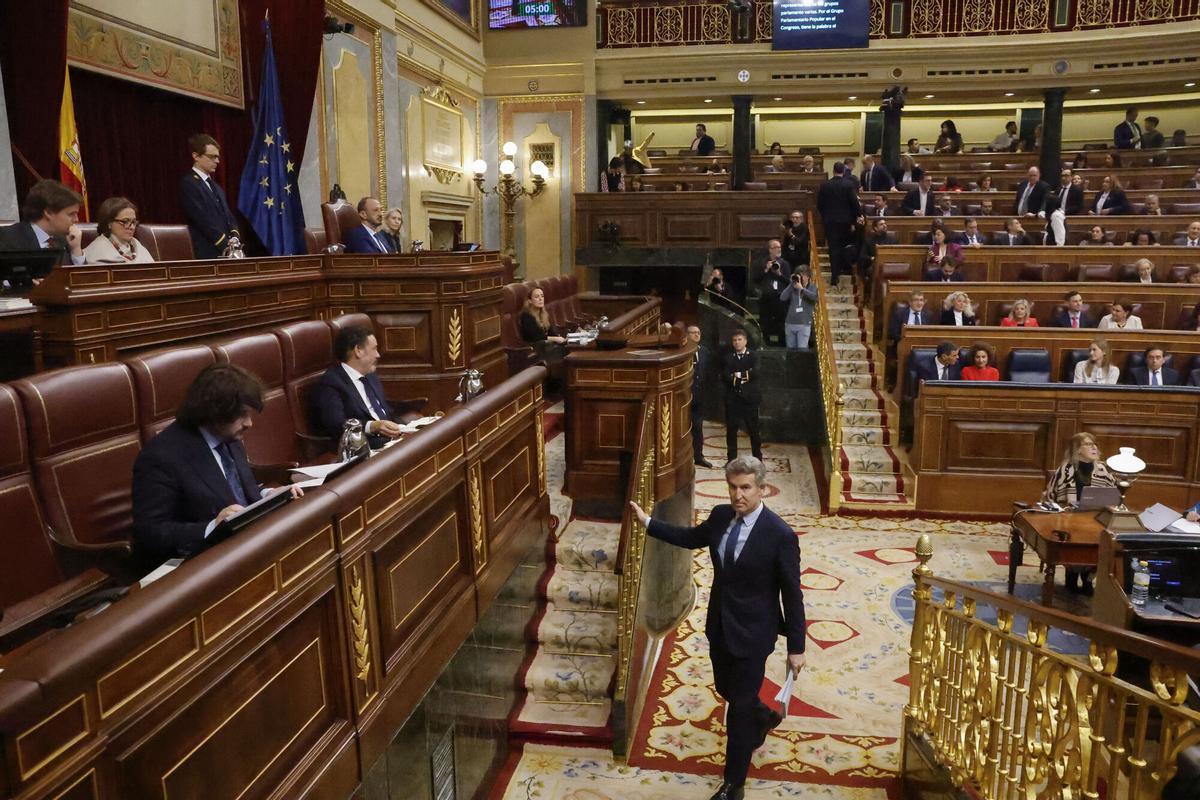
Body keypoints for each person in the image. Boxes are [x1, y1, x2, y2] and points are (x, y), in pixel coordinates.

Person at [628, 456, 805, 800]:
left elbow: (792, 593)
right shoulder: (721, 516)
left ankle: (733, 785)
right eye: (733, 487)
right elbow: (692, 538)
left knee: (737, 710)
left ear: (762, 489)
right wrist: (648, 522)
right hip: (720, 624)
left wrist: (796, 647)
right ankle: (762, 716)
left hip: (754, 632)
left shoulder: (780, 535)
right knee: (727, 688)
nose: (739, 495)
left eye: (746, 488)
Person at [132, 363, 303, 561]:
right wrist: (212, 527)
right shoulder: (161, 456)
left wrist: (268, 496)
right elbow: (150, 532)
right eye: (241, 414)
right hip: (204, 560)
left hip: (247, 544)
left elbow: (235, 493)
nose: (249, 423)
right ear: (214, 411)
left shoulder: (228, 437)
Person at [311, 324, 423, 449]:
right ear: (358, 350)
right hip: (366, 446)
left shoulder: (370, 375)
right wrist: (373, 426)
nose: (378, 355)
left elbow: (384, 411)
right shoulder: (331, 383)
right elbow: (336, 425)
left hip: (392, 439)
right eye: (374, 349)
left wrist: (405, 428)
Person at [1042, 432, 1117, 593]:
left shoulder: (1103, 470)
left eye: (1095, 444)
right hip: (1070, 517)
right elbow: (1051, 495)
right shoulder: (1066, 469)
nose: (1094, 447)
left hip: (1096, 516)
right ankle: (1072, 575)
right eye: (1088, 444)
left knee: (1105, 540)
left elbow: (1113, 495)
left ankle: (1088, 578)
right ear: (1077, 449)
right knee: (1074, 535)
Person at [179, 133, 240, 259]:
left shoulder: (216, 187)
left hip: (226, 250)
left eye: (217, 157)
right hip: (207, 251)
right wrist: (224, 244)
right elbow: (201, 219)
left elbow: (228, 216)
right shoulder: (189, 183)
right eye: (212, 157)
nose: (217, 161)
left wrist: (235, 237)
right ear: (196, 156)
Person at [0, 179, 85, 270]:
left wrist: (76, 250)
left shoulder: (67, 240)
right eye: (71, 214)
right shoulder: (7, 238)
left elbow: (83, 278)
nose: (76, 220)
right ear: (48, 212)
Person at [815, 162, 861, 286]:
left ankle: (834, 275)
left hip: (830, 222)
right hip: (845, 222)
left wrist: (825, 217)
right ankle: (843, 270)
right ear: (843, 171)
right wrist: (856, 218)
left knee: (833, 247)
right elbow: (854, 203)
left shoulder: (825, 185)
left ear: (833, 170)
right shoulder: (848, 184)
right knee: (843, 246)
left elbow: (819, 204)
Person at [722, 329, 762, 463]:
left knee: (754, 431)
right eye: (734, 340)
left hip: (750, 400)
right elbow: (726, 376)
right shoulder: (728, 357)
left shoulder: (754, 356)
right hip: (733, 400)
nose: (737, 342)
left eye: (739, 340)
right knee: (731, 432)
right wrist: (744, 376)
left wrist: (737, 375)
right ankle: (731, 460)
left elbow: (756, 373)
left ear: (745, 341)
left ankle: (758, 459)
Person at [83, 197, 154, 264]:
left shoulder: (135, 244)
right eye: (125, 222)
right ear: (109, 223)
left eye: (133, 222)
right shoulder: (97, 250)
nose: (132, 227)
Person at [687, 325, 714, 469]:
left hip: (699, 398)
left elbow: (708, 374)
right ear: (687, 335)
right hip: (684, 398)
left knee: (698, 428)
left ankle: (698, 456)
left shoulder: (704, 352)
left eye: (698, 332)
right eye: (693, 333)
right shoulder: (682, 352)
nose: (697, 335)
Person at [757, 241, 789, 346]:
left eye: (780, 247)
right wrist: (766, 269)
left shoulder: (784, 264)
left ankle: (781, 345)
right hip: (766, 298)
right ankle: (766, 345)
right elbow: (755, 279)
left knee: (781, 323)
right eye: (776, 247)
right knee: (765, 323)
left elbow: (789, 282)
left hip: (780, 298)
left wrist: (779, 274)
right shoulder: (762, 263)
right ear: (770, 250)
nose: (779, 249)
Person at [780, 269, 817, 350]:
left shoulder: (812, 287)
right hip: (790, 323)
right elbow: (782, 297)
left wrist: (802, 289)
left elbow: (814, 297)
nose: (800, 277)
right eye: (799, 275)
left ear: (808, 277)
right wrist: (791, 284)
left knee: (802, 351)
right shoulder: (793, 287)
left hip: (804, 324)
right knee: (791, 352)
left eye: (802, 275)